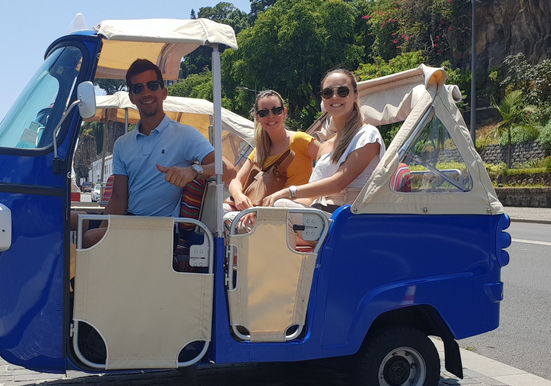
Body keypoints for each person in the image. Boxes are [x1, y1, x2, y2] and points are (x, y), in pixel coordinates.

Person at [77, 58, 235, 248]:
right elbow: (119, 199)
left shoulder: (185, 135)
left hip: (161, 228)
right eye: (137, 89)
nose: (146, 93)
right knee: (69, 221)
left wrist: (194, 171)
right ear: (132, 97)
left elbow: (229, 169)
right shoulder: (122, 144)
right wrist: (106, 229)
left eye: (152, 86)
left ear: (164, 92)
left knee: (89, 239)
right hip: (129, 222)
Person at [270, 68, 386, 243]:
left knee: (280, 209)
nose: (335, 97)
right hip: (322, 216)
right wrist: (266, 204)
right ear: (323, 98)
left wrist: (287, 193)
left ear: (355, 95)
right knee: (262, 219)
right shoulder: (326, 146)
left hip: (348, 219)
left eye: (343, 91)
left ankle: (289, 269)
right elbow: (310, 198)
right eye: (328, 92)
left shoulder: (367, 135)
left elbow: (339, 182)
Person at [223, 90, 320, 233]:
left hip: (292, 209)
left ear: (284, 112)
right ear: (257, 117)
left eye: (276, 110)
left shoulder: (300, 140)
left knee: (235, 222)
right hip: (265, 209)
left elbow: (329, 162)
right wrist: (239, 196)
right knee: (221, 211)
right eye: (264, 113)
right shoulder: (260, 151)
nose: (271, 116)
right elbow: (236, 180)